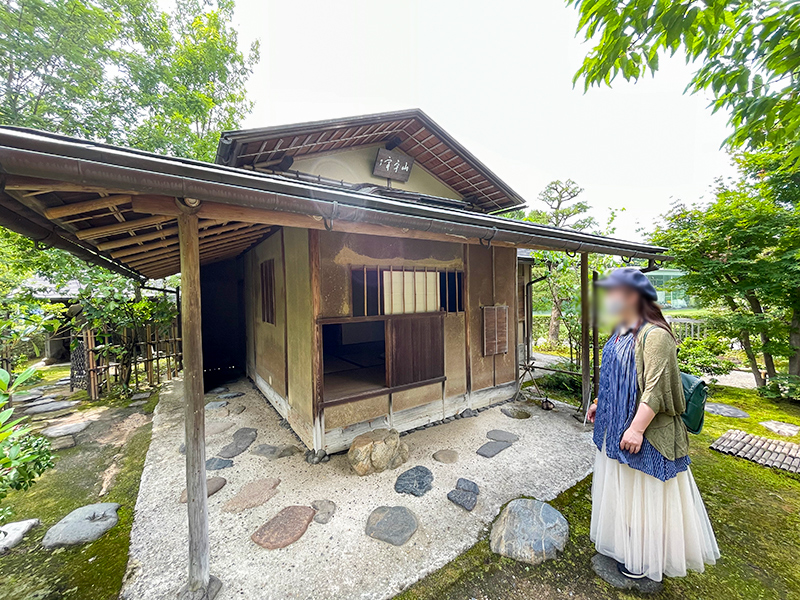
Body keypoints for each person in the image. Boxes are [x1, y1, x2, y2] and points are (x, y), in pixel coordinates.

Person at [586, 267, 719, 582]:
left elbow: (655, 389)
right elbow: (615, 377)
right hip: (616, 426)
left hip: (647, 434)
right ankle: (627, 546)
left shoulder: (655, 335)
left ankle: (645, 559)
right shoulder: (622, 329)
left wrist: (636, 428)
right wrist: (598, 404)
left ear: (633, 296)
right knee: (626, 493)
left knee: (646, 496)